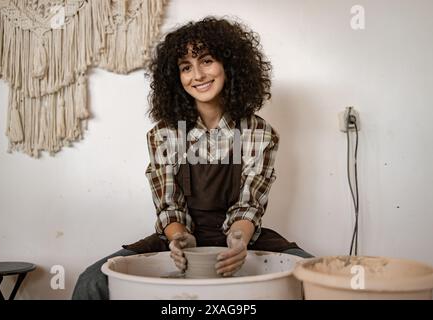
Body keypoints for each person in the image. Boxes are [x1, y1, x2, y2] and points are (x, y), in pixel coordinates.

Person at [72, 16, 312, 300]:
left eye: (207, 61)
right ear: (176, 78)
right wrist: (178, 238)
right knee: (91, 282)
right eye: (186, 67)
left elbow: (249, 205)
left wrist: (238, 240)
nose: (197, 75)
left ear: (230, 65)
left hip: (242, 236)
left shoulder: (258, 132)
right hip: (180, 236)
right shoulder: (165, 133)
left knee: (315, 275)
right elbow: (168, 205)